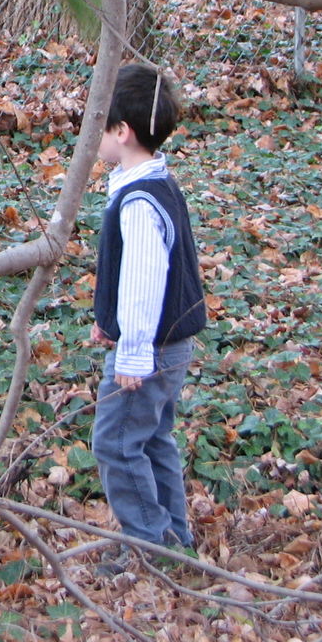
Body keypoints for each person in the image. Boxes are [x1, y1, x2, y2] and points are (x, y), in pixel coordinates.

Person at [89, 63, 206, 571]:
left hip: (152, 349)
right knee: (153, 437)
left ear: (122, 131)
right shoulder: (149, 182)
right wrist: (107, 321)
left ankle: (148, 545)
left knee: (114, 442)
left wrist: (131, 354)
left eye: (98, 123)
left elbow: (144, 281)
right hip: (167, 344)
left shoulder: (138, 201)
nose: (89, 134)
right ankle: (173, 538)